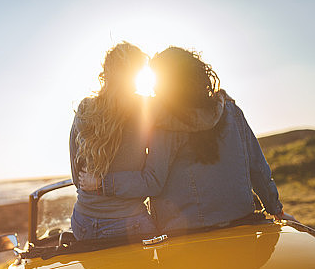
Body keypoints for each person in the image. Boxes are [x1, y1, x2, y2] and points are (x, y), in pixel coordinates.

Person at [80, 46, 295, 232]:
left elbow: (152, 181)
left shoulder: (165, 125)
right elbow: (258, 169)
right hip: (242, 223)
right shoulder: (231, 111)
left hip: (183, 235)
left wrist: (102, 184)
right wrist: (276, 210)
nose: (154, 88)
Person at [68, 42, 157, 240]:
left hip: (83, 221)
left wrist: (98, 184)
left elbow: (77, 176)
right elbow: (153, 181)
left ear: (106, 72)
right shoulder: (146, 108)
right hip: (129, 222)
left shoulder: (85, 108)